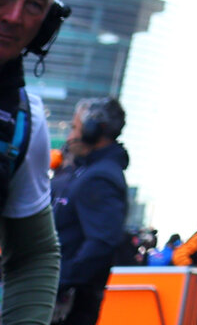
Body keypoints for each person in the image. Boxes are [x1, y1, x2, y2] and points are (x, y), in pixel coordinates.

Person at [0, 0, 73, 325]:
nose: (14, 17)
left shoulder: (26, 122)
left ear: (48, 24)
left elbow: (34, 254)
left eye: (34, 5)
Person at [53, 97, 130, 325]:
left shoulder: (101, 177)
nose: (70, 136)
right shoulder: (86, 171)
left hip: (68, 307)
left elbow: (101, 243)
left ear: (93, 129)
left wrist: (60, 283)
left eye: (75, 127)